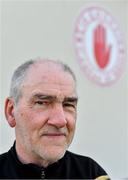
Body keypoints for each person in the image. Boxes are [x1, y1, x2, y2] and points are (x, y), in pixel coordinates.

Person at [0, 58, 109, 179]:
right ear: (11, 112)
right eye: (42, 103)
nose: (60, 121)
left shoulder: (91, 174)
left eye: (68, 104)